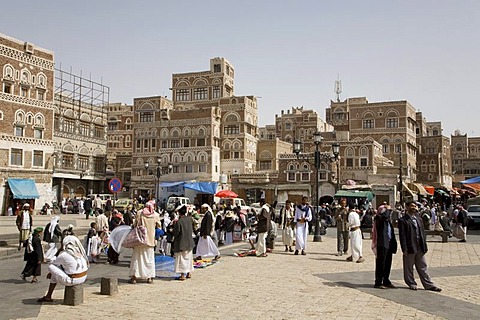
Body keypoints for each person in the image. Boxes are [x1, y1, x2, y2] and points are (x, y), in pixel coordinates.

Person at [398, 201, 442, 292]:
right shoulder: (403, 220)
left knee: (423, 266)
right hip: (410, 247)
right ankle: (411, 283)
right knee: (409, 267)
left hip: (419, 246)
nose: (414, 208)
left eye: (415, 206)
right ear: (407, 207)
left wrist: (424, 245)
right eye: (412, 206)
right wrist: (404, 248)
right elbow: (402, 235)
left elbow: (422, 233)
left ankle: (429, 284)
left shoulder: (419, 219)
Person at [37, 235, 89, 303]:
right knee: (54, 273)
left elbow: (53, 262)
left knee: (51, 266)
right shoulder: (80, 252)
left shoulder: (64, 254)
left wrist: (59, 250)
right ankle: (48, 296)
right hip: (83, 278)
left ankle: (48, 296)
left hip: (73, 280)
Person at [129, 200, 160, 284]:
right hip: (150, 240)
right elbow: (159, 226)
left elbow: (135, 224)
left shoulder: (139, 213)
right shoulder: (156, 215)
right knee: (149, 259)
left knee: (137, 258)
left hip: (140, 240)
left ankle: (134, 277)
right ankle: (149, 277)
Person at [372, 205, 397, 289]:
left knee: (388, 263)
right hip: (382, 243)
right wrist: (388, 209)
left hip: (389, 243)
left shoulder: (388, 221)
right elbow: (384, 216)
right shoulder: (379, 218)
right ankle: (378, 282)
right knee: (381, 263)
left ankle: (386, 280)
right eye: (385, 211)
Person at [173, 205, 195, 281]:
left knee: (181, 259)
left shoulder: (179, 221)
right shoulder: (190, 219)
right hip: (189, 242)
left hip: (181, 243)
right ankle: (189, 273)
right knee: (189, 258)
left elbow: (176, 233)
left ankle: (182, 275)